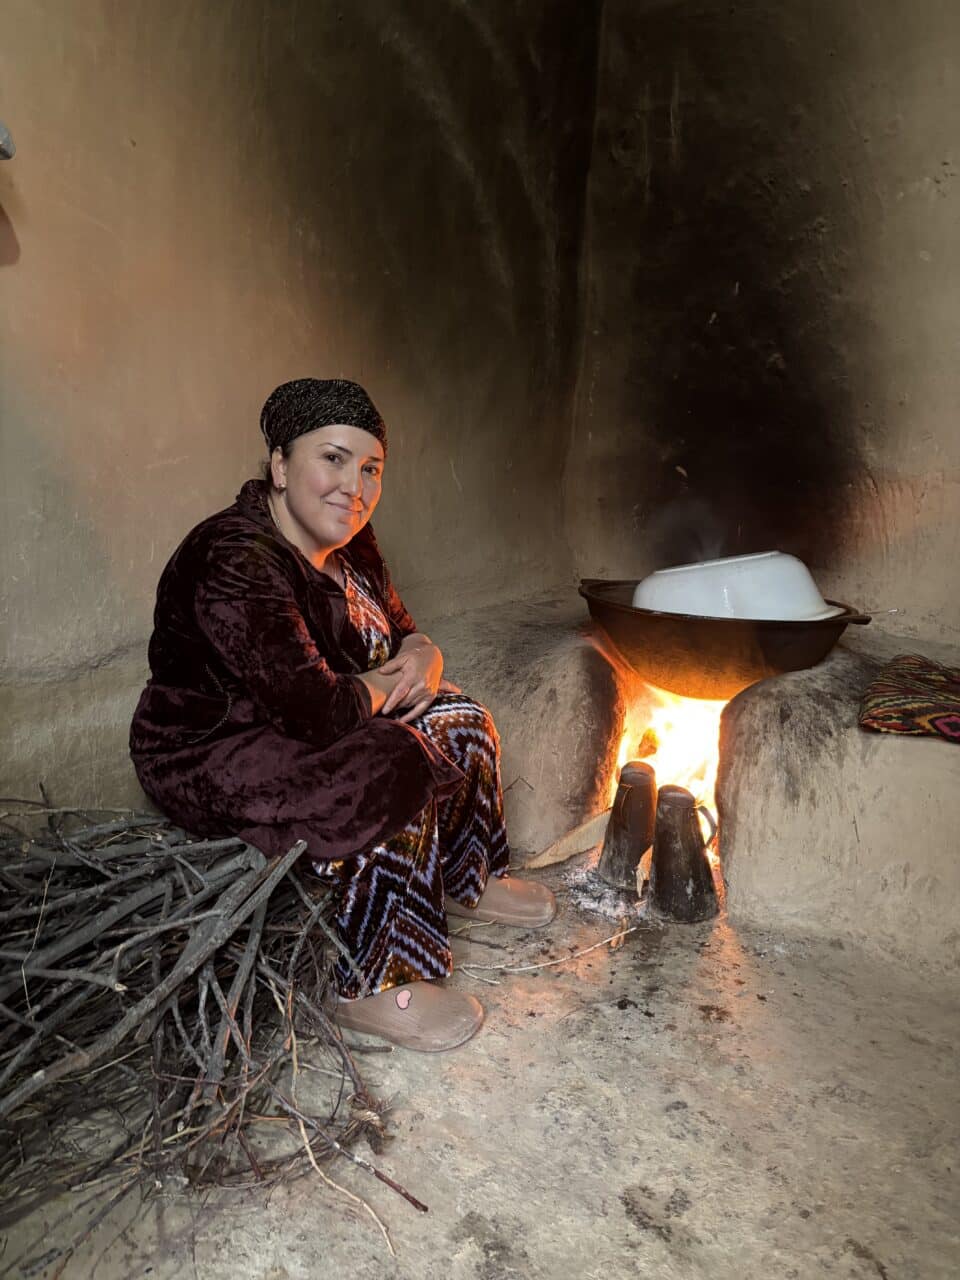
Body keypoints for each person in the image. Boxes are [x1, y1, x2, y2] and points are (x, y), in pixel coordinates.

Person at [130, 378, 555, 1052]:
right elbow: (320, 713)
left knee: (462, 718)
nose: (352, 486)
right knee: (387, 762)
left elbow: (404, 633)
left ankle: (465, 880)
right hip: (217, 747)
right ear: (279, 465)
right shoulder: (236, 559)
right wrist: (392, 685)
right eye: (332, 458)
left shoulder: (351, 538)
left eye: (370, 469)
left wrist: (427, 657)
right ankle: (375, 985)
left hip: (323, 712)